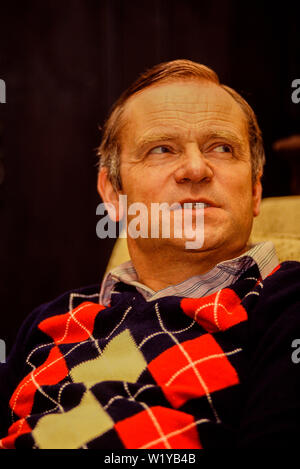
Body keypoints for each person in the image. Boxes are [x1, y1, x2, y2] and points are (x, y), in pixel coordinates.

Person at [1, 59, 300, 449]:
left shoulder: (283, 304)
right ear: (113, 194)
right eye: (162, 148)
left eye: (222, 148)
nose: (196, 168)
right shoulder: (50, 321)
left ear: (256, 189)